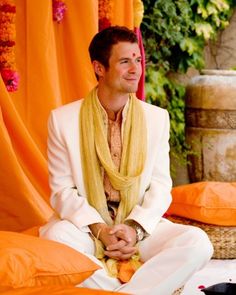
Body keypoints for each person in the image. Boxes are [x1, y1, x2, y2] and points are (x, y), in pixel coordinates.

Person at [40, 26, 213, 295]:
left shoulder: (157, 119)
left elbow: (159, 185)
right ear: (99, 68)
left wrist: (133, 229)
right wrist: (100, 230)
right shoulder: (63, 120)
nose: (135, 69)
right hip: (89, 229)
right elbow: (63, 191)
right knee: (54, 238)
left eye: (138, 60)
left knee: (198, 242)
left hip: (138, 228)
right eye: (124, 61)